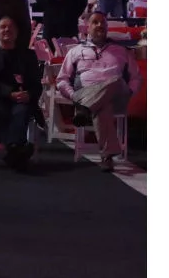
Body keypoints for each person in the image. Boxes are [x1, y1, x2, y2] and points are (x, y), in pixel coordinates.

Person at [56, 12, 142, 172]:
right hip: (89, 96)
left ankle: (86, 108)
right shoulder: (75, 51)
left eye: (103, 22)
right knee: (103, 107)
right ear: (87, 27)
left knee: (116, 80)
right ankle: (107, 157)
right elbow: (62, 80)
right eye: (95, 22)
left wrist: (130, 91)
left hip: (117, 95)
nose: (99, 25)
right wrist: (73, 95)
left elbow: (136, 77)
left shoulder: (121, 50)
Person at [0, 16, 42, 171]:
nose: (7, 30)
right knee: (0, 111)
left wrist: (29, 94)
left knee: (22, 110)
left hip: (21, 99)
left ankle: (13, 150)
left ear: (17, 33)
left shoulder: (28, 55)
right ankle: (17, 149)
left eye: (10, 27)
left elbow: (36, 84)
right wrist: (9, 93)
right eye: (3, 27)